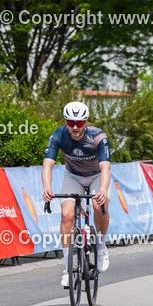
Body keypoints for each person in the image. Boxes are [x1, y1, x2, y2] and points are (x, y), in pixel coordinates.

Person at [42, 101, 111, 288]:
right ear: (65, 121)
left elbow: (105, 167)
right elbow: (48, 163)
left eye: (79, 123)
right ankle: (67, 269)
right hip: (73, 176)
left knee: (99, 206)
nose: (74, 127)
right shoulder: (58, 135)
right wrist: (47, 188)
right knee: (66, 216)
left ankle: (101, 246)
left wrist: (103, 191)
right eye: (71, 122)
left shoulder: (98, 137)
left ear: (86, 122)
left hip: (97, 175)